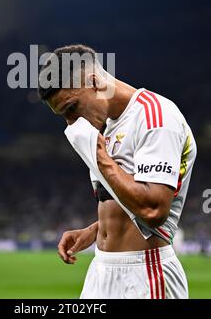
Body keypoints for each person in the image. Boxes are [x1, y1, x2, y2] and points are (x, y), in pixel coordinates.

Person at [38, 44, 197, 299]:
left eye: (72, 108)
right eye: (63, 116)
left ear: (94, 81)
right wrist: (96, 231)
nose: (72, 124)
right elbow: (124, 202)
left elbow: (153, 211)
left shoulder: (156, 116)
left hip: (146, 272)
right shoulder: (108, 126)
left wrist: (99, 155)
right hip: (100, 270)